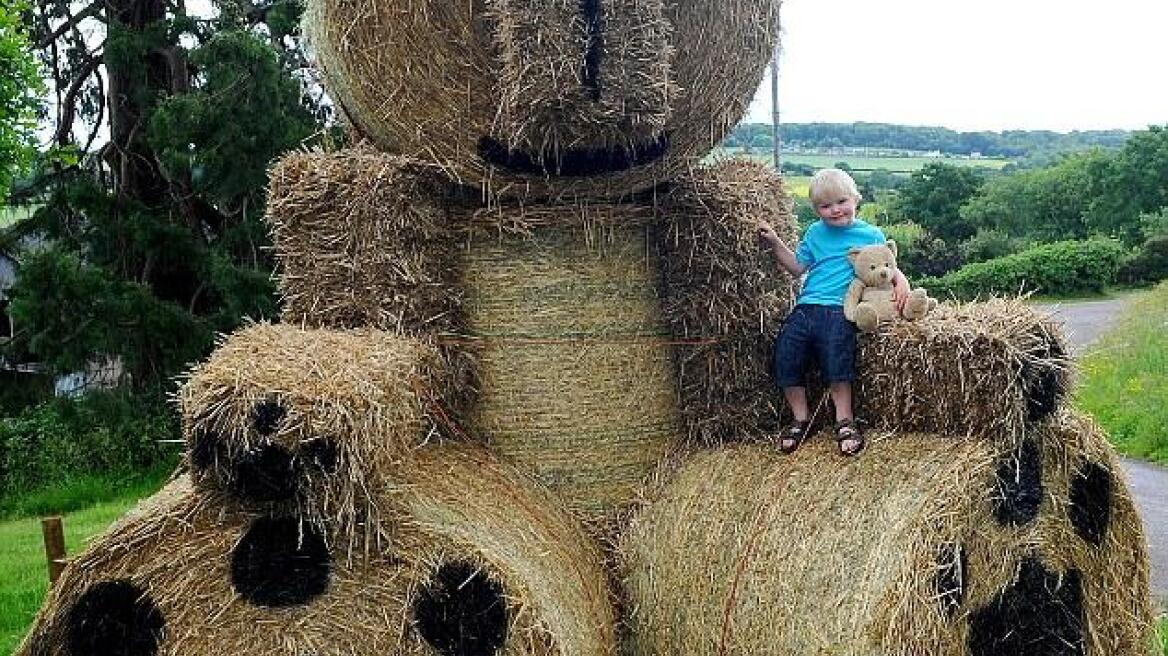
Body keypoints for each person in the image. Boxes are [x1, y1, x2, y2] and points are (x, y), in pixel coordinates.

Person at [757, 168, 908, 456]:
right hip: (806, 306)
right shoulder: (815, 233)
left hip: (841, 308)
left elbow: (888, 266)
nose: (835, 210)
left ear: (856, 199)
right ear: (816, 210)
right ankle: (801, 418)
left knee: (837, 355)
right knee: (786, 353)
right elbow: (797, 268)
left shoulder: (870, 233)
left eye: (841, 202)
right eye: (826, 206)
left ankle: (845, 420)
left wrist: (902, 284)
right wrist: (775, 243)